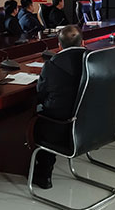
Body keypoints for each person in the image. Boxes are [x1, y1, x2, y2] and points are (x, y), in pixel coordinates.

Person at [32, 25, 87, 189]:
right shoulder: (95, 60)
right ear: (83, 42)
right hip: (91, 122)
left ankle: (43, 175)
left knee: (40, 117)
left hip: (62, 126)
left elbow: (40, 94)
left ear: (59, 46)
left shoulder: (52, 65)